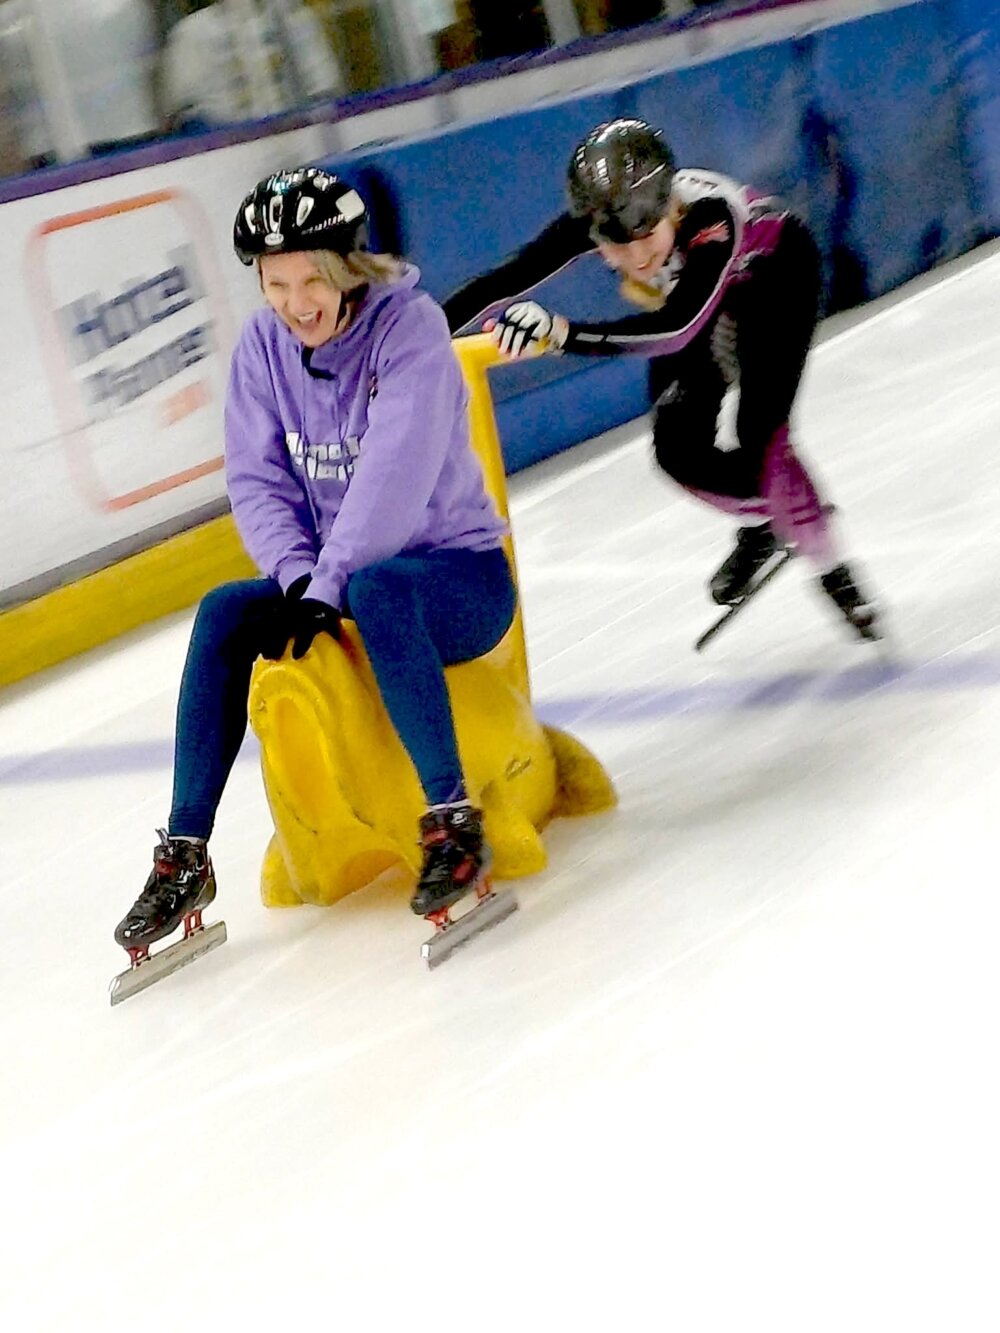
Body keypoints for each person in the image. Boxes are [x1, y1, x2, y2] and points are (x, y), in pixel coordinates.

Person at [114, 166, 515, 962]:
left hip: (454, 576)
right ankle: (185, 853)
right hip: (336, 579)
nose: (297, 301)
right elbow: (256, 479)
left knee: (378, 585)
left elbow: (392, 483)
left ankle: (453, 821)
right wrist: (299, 582)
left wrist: (327, 587)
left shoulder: (413, 330)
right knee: (225, 609)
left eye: (312, 279)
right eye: (275, 282)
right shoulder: (264, 347)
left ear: (347, 267)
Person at [443, 117, 883, 641]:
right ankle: (771, 515)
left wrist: (563, 333)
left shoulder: (710, 218)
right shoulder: (595, 222)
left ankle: (831, 565)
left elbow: (677, 328)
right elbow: (501, 281)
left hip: (776, 279)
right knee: (678, 452)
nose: (636, 257)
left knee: (762, 432)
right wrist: (411, 342)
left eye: (647, 235)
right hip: (700, 298)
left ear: (670, 207)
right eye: (615, 248)